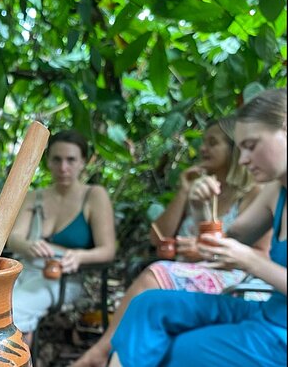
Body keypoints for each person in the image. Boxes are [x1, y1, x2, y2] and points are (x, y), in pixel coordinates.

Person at [109, 88, 287, 366]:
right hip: (266, 312)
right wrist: (200, 205)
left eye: (251, 146)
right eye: (240, 150)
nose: (243, 160)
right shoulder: (276, 191)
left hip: (281, 333)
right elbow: (227, 241)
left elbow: (247, 256)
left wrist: (250, 260)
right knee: (149, 305)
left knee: (179, 350)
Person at [73, 117, 270, 367]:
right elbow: (158, 238)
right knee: (155, 282)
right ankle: (105, 354)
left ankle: (99, 354)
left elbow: (260, 253)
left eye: (213, 143)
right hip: (186, 272)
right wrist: (185, 192)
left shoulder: (254, 194)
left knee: (154, 275)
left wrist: (204, 252)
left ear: (234, 150)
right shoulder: (198, 188)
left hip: (229, 276)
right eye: (203, 142)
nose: (203, 149)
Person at [6, 130, 116, 344]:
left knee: (14, 309)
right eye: (57, 159)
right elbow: (14, 238)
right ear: (48, 162)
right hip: (25, 271)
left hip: (63, 279)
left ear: (83, 162)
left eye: (71, 160)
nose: (63, 167)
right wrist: (29, 246)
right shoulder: (34, 197)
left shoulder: (94, 196)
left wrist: (79, 257)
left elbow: (107, 250)